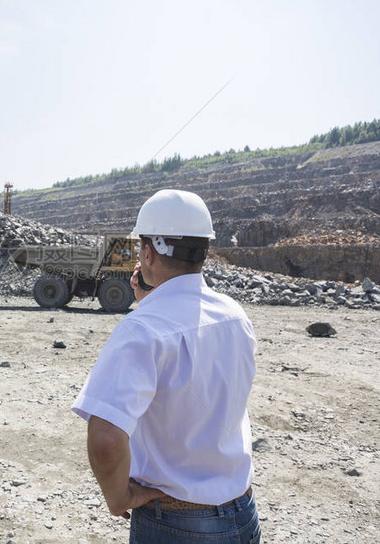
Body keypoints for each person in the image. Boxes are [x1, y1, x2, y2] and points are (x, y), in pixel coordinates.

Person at [72, 189, 261, 543]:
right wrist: (152, 303)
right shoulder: (236, 316)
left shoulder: (141, 330)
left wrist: (119, 498)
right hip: (243, 516)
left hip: (177, 525)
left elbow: (106, 440)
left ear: (147, 253)